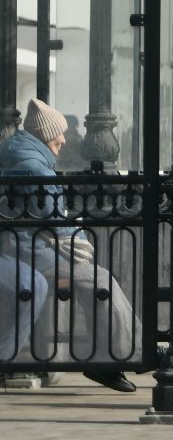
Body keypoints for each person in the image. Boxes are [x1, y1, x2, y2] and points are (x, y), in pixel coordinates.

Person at [1, 99, 138, 391]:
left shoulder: (27, 158)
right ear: (43, 135)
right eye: (57, 133)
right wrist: (77, 238)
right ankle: (119, 357)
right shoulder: (31, 166)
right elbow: (55, 217)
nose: (63, 140)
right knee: (99, 279)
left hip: (30, 249)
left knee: (97, 280)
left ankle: (117, 355)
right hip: (31, 253)